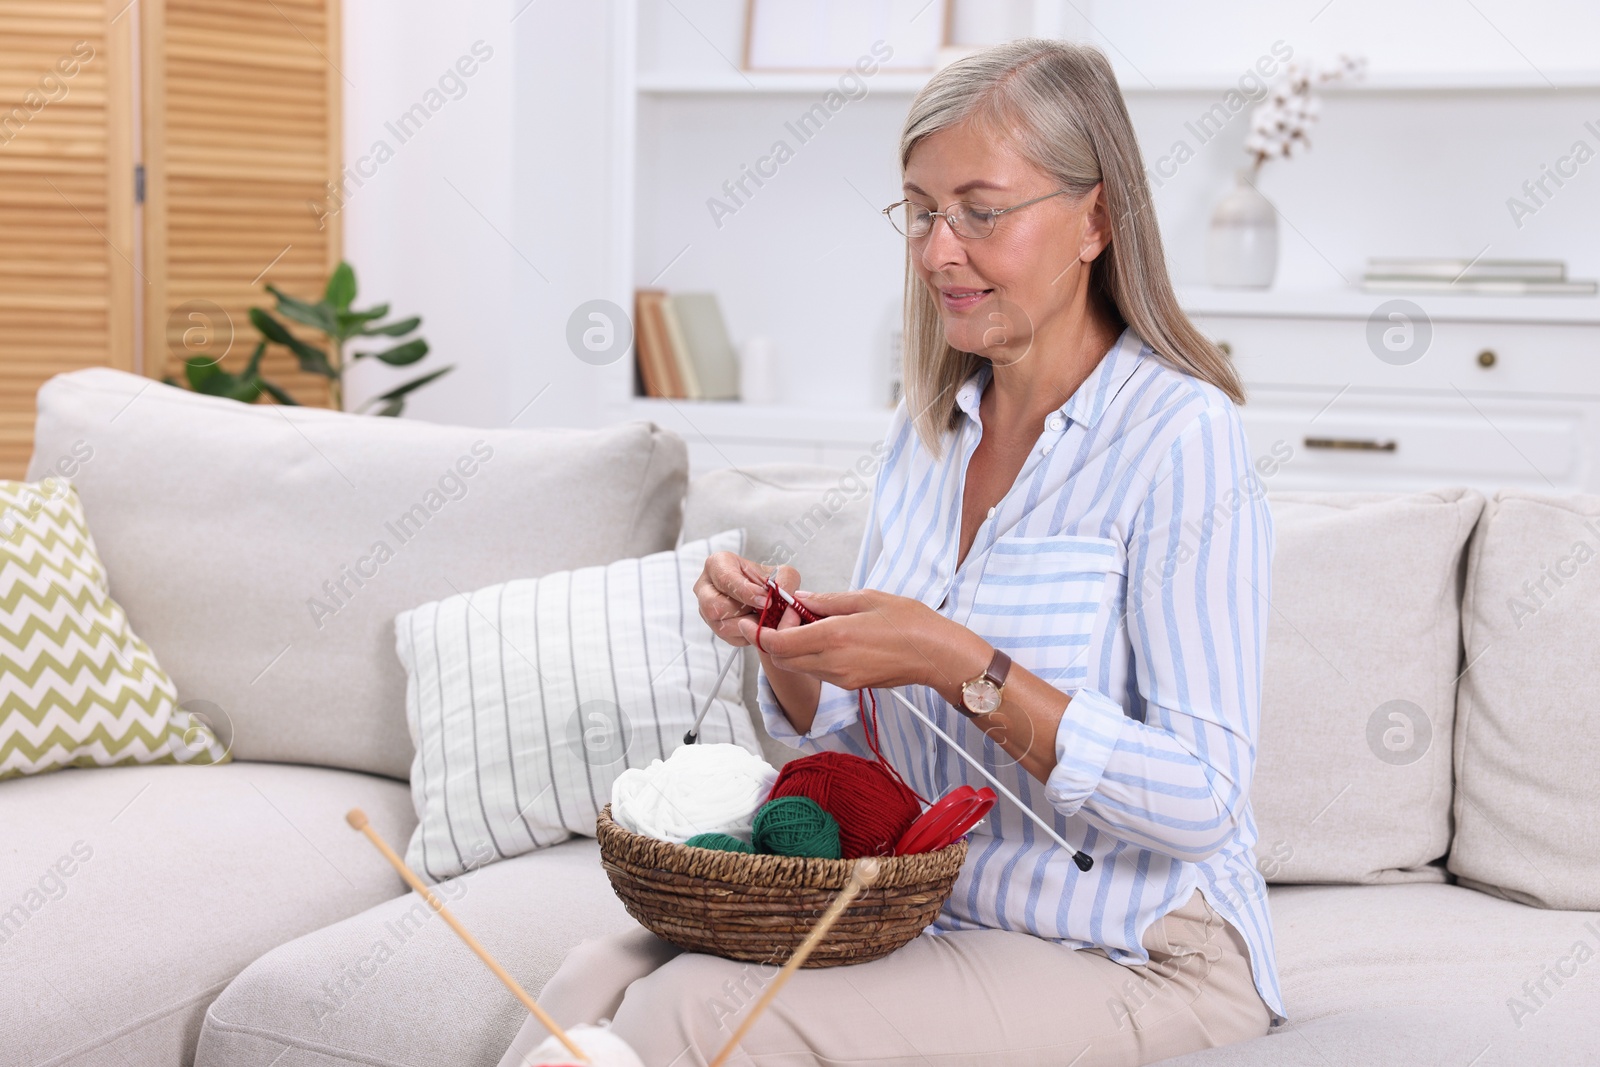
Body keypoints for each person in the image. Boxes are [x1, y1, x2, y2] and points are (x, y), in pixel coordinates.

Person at [501, 37, 1281, 1067]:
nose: (934, 251)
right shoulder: (924, 430)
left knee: (684, 1011)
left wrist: (959, 663)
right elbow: (869, 761)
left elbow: (1202, 798)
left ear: (1094, 217)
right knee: (589, 977)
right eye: (919, 211)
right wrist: (790, 653)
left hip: (1134, 948)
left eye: (979, 210)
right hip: (928, 907)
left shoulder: (1183, 436)